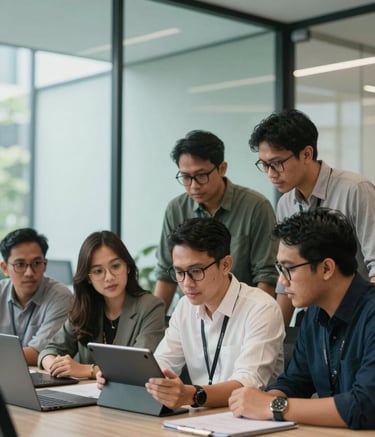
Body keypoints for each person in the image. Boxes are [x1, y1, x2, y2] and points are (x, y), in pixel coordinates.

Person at [97, 218, 284, 409]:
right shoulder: (185, 306)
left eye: (196, 271)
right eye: (179, 272)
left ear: (225, 265)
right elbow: (162, 364)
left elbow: (248, 383)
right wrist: (121, 377)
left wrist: (192, 395)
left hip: (251, 421)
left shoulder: (261, 308)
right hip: (199, 418)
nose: (186, 283)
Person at [229, 208, 375, 429]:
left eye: (288, 269)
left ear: (326, 268)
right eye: (279, 268)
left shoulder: (371, 313)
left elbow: (364, 406)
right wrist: (261, 400)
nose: (282, 281)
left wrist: (274, 407)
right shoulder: (313, 314)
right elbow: (295, 382)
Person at [249, 108, 375, 326]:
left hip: (360, 318)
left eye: (277, 163)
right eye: (264, 165)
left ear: (306, 154)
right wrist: (276, 337)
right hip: (317, 321)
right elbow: (286, 279)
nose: (270, 173)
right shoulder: (286, 203)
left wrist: (367, 324)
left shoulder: (355, 190)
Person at [154, 129, 279, 312]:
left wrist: (255, 319)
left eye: (201, 175)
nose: (194, 185)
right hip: (193, 314)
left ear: (222, 168)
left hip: (242, 313)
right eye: (186, 177)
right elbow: (166, 273)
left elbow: (266, 276)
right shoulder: (177, 208)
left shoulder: (256, 207)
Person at [38, 230, 165, 379]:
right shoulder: (85, 308)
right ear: (88, 278)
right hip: (86, 397)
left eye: (116, 266)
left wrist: (87, 370)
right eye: (98, 271)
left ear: (128, 267)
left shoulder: (150, 306)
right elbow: (49, 351)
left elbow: (138, 367)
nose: (109, 277)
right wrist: (56, 365)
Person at [0, 228, 72, 366]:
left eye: (36, 263)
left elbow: (40, 353)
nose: (29, 272)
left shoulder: (60, 297)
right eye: (20, 264)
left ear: (45, 265)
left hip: (41, 379)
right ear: (4, 268)